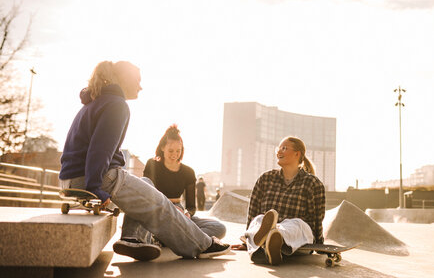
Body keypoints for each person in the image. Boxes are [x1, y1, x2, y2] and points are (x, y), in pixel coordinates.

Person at [58, 60, 230, 261]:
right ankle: (202, 245)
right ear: (124, 79)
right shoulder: (116, 104)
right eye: (137, 81)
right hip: (94, 176)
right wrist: (95, 186)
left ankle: (133, 239)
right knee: (158, 203)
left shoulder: (97, 101)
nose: (141, 86)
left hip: (69, 178)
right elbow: (99, 150)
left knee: (146, 185)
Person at [233, 136, 326, 265]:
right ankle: (267, 242)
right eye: (278, 148)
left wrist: (319, 244)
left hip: (297, 236)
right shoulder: (266, 179)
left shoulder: (312, 183)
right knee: (259, 219)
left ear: (297, 154)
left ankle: (272, 239)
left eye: (284, 148)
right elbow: (252, 212)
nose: (279, 152)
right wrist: (247, 240)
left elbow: (317, 218)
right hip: (265, 228)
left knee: (297, 224)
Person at [144, 125, 225, 239]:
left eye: (178, 151)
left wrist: (187, 214)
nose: (174, 154)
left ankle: (170, 238)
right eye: (171, 150)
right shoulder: (152, 164)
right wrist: (166, 207)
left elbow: (191, 206)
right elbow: (146, 194)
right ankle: (181, 238)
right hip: (157, 210)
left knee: (219, 228)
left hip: (179, 213)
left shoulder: (188, 172)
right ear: (162, 148)